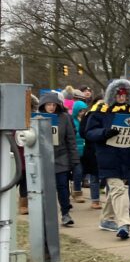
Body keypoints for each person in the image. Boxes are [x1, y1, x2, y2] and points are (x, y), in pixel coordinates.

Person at [84, 79, 130, 240]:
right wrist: (105, 133)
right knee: (118, 189)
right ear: (112, 94)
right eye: (118, 94)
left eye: (125, 94)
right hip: (107, 157)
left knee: (116, 190)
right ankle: (124, 224)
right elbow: (88, 132)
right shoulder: (100, 111)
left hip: (127, 156)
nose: (122, 97)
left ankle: (105, 219)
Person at [36, 91, 79, 227]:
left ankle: (65, 213)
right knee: (46, 188)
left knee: (63, 186)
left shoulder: (65, 118)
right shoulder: (37, 118)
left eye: (54, 105)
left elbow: (71, 140)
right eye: (48, 104)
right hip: (44, 157)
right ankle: (46, 215)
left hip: (62, 156)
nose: (51, 107)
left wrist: (74, 160)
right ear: (43, 105)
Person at [71, 100, 89, 204]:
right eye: (80, 111)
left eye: (83, 111)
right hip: (75, 150)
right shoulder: (72, 121)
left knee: (84, 171)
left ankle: (76, 186)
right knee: (78, 171)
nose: (82, 113)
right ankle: (77, 192)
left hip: (85, 149)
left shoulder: (86, 120)